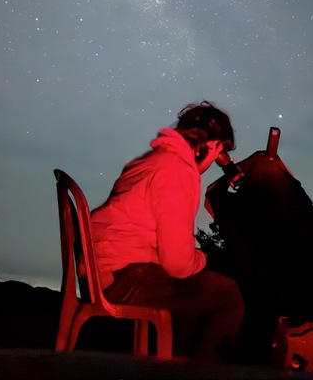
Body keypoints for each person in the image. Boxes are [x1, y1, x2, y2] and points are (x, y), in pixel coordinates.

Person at [90, 101, 244, 363]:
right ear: (212, 144)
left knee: (190, 297)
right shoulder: (177, 170)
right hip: (123, 277)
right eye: (219, 150)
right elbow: (178, 265)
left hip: (104, 270)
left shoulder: (154, 160)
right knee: (227, 294)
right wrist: (205, 258)